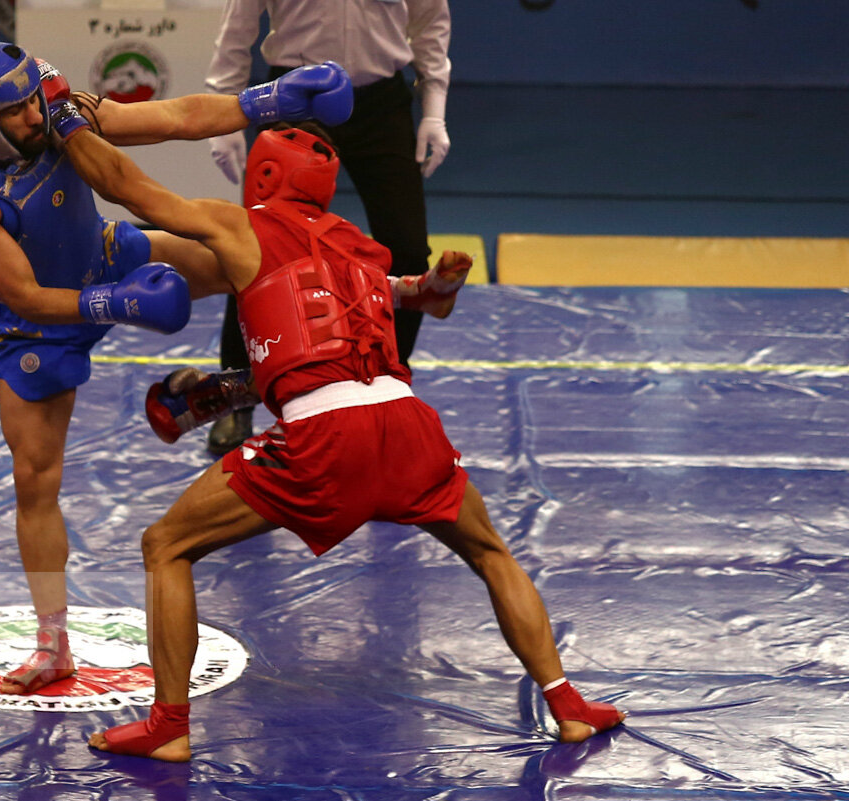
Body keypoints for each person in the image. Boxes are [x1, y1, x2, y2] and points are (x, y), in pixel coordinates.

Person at [46, 105, 625, 760]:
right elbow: (419, 300)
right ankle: (569, 706)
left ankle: (169, 727)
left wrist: (67, 120)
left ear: (263, 174)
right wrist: (437, 286)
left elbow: (128, 186)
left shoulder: (241, 226)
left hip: (325, 435)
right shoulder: (358, 248)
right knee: (492, 552)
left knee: (166, 545)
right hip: (408, 426)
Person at [0, 40, 352, 695]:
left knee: (250, 268)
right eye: (13, 112)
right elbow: (25, 294)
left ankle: (236, 388)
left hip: (108, 258)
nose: (33, 116)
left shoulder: (60, 114)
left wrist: (270, 100)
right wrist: (118, 304)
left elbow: (175, 117)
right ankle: (52, 646)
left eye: (31, 100)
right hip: (37, 326)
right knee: (35, 481)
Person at [200, 0, 454, 454]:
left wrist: (434, 110)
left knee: (409, 250)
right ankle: (236, 396)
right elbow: (236, 31)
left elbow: (430, 23)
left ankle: (388, 386)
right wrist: (226, 118)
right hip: (293, 98)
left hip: (381, 105)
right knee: (257, 252)